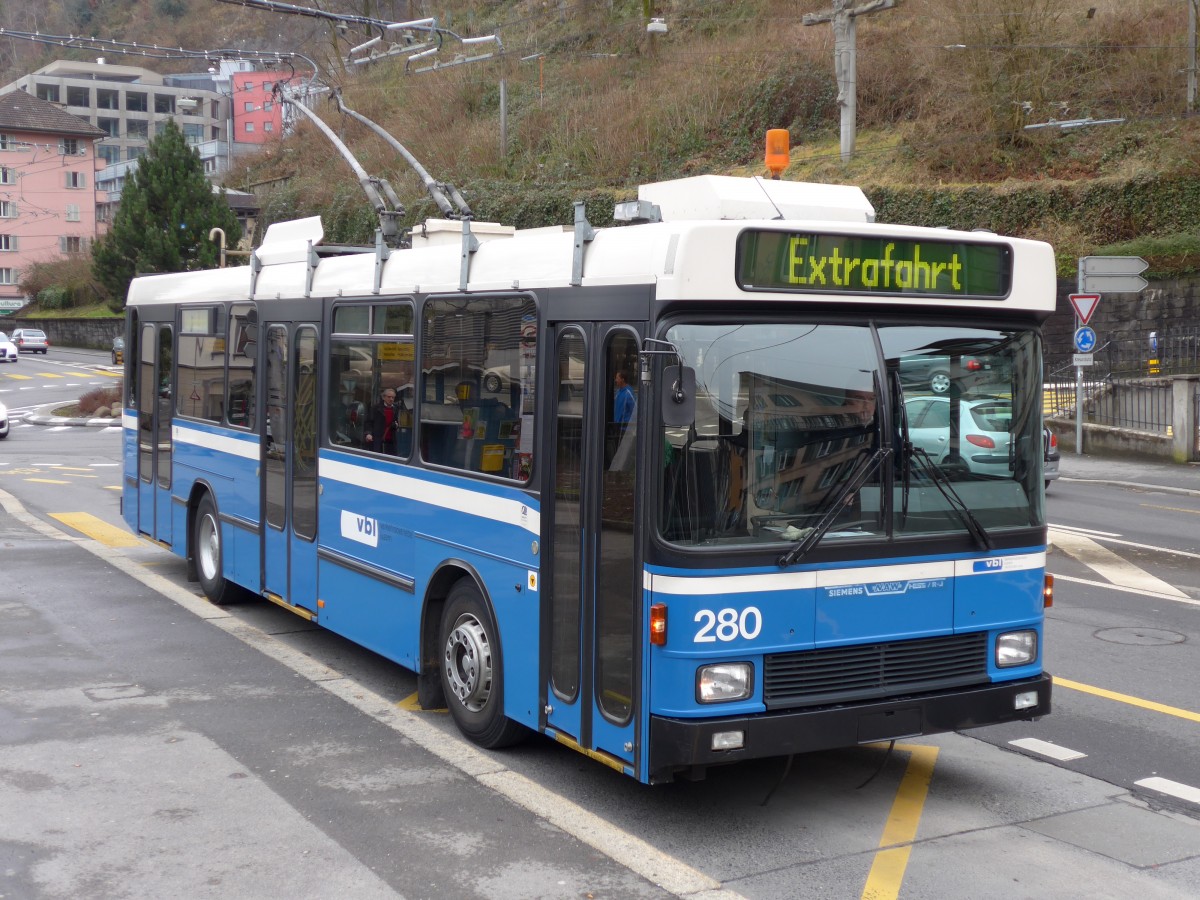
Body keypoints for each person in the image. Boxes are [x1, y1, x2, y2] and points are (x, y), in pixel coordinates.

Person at [366, 387, 400, 453]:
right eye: (389, 397)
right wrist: (368, 434)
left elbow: (396, 422)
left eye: (393, 397)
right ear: (384, 397)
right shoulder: (376, 408)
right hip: (378, 440)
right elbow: (369, 422)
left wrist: (396, 425)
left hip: (391, 441)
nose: (391, 399)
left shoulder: (396, 409)